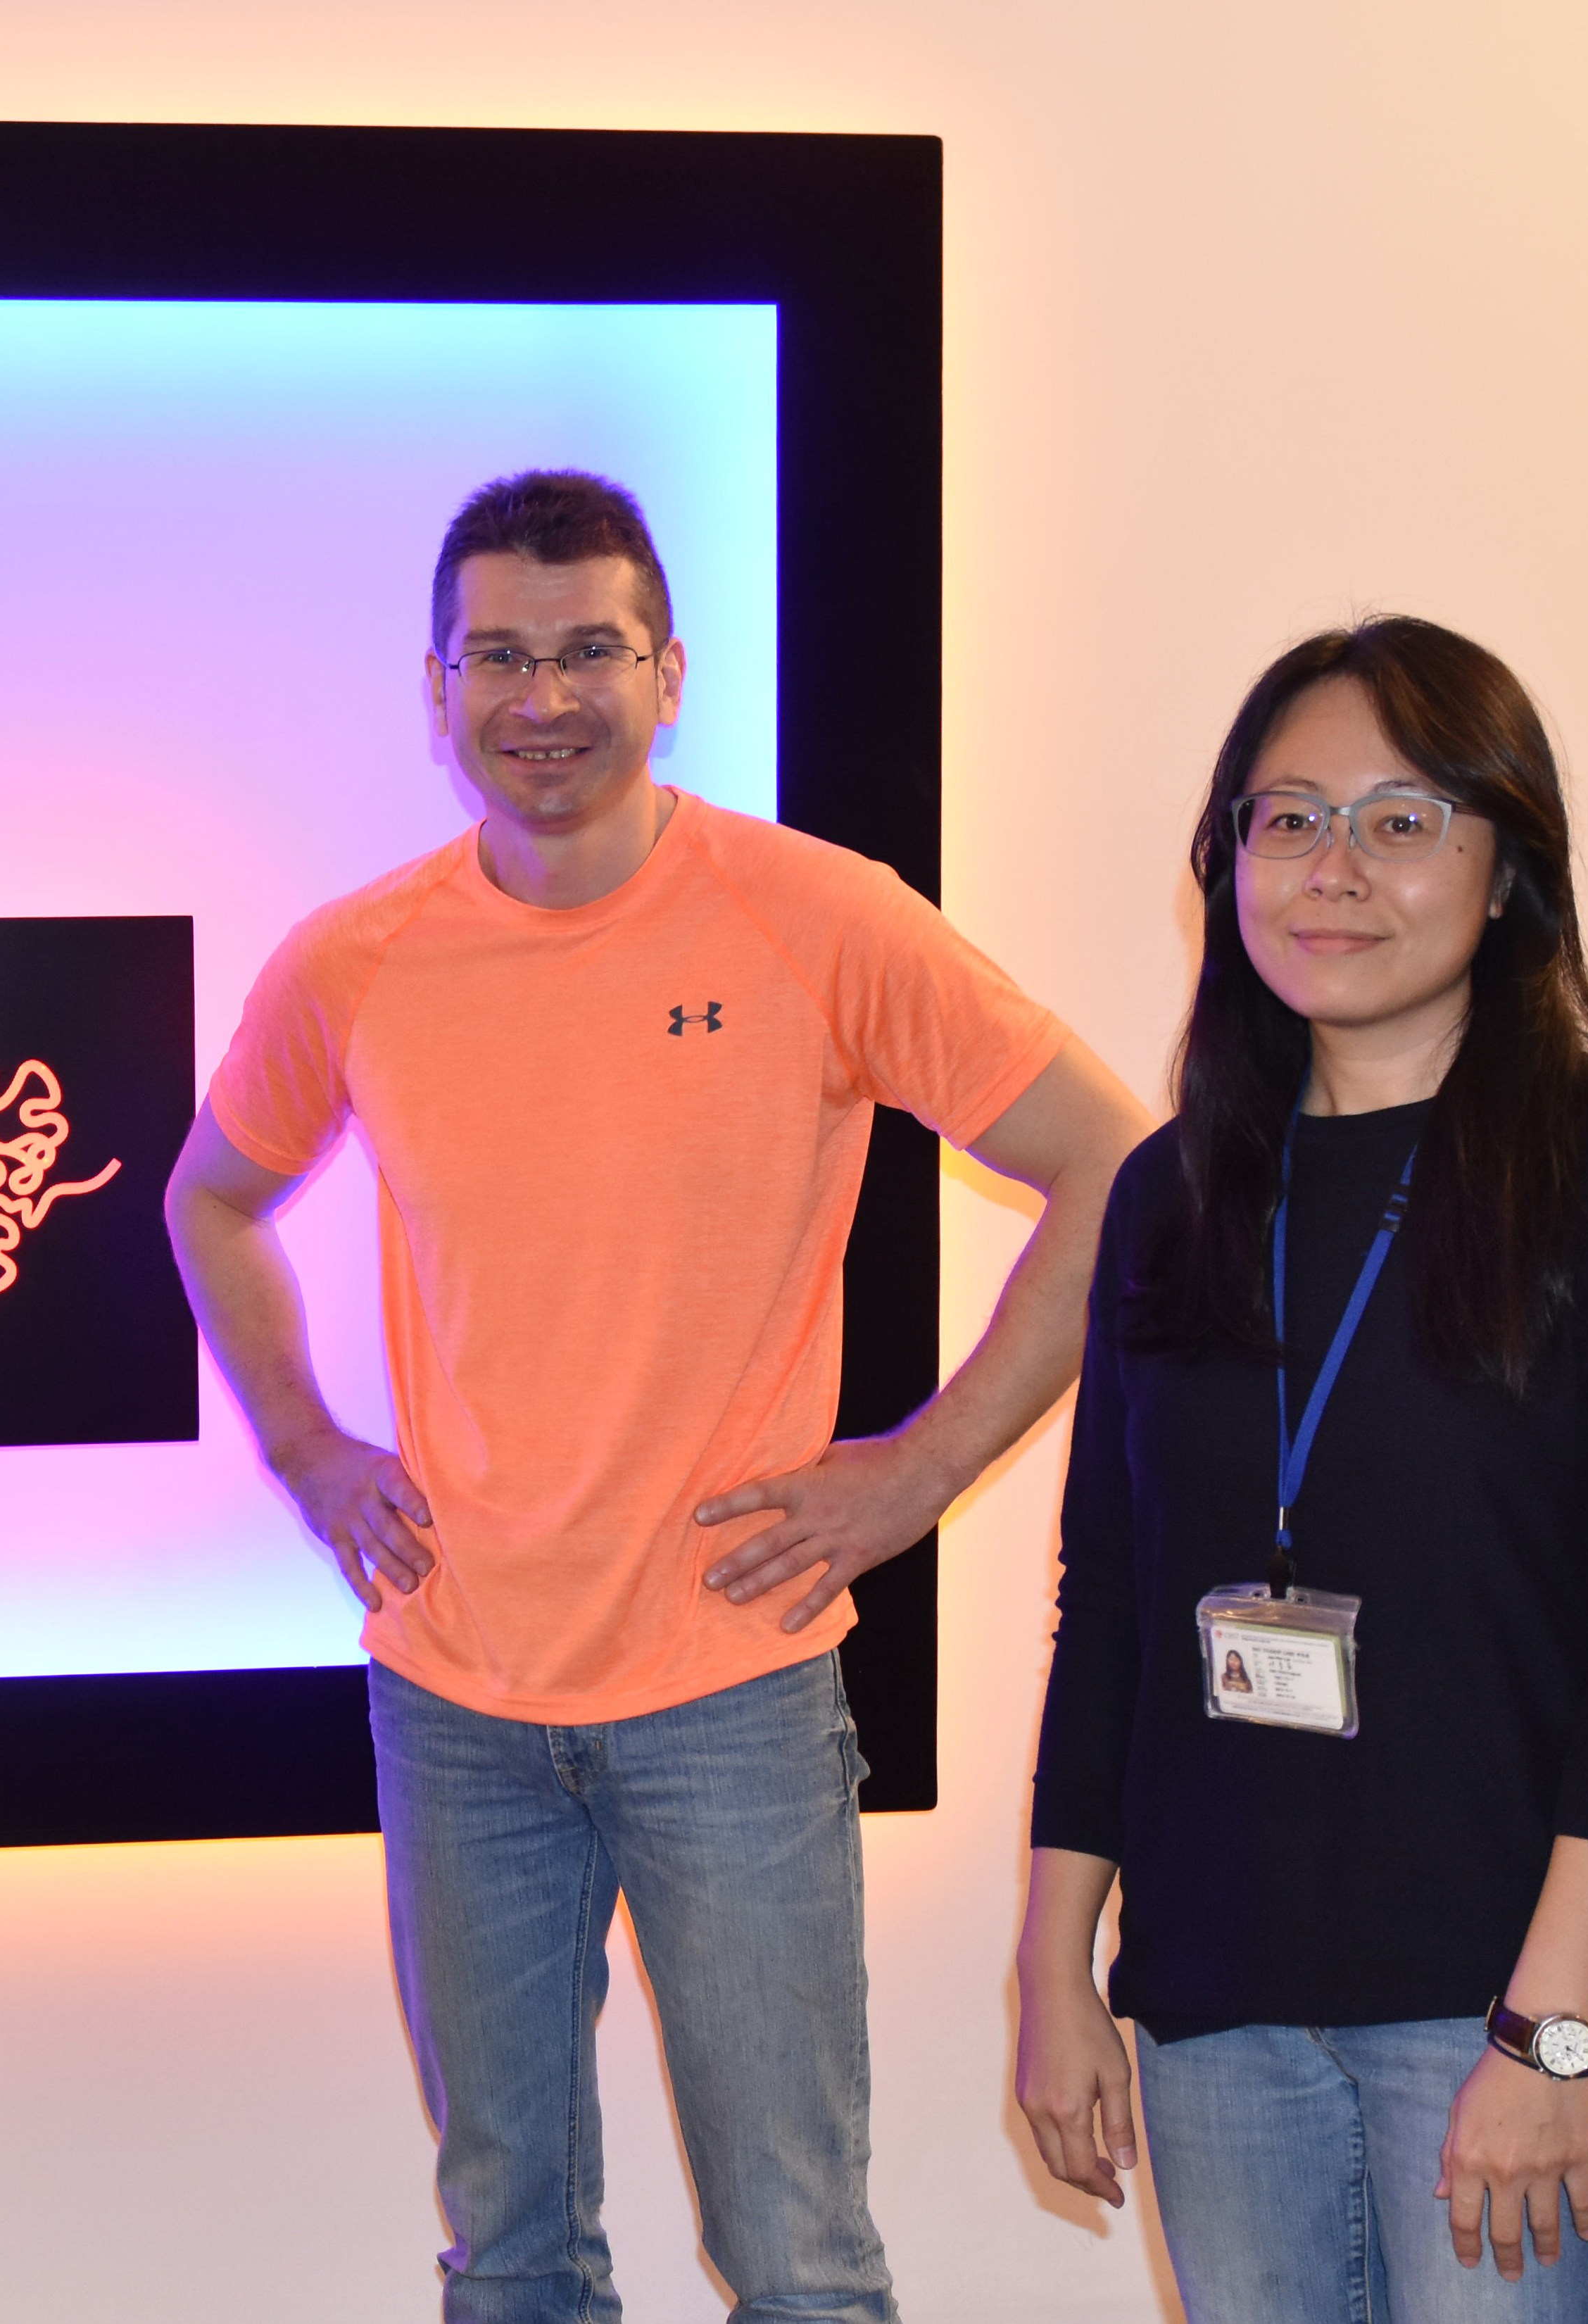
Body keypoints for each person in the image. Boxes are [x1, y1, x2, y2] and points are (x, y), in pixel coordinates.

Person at [168, 468, 1149, 2322]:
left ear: (670, 672)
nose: (545, 697)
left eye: (592, 651)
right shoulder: (357, 957)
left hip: (734, 1690)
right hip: (458, 1693)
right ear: (439, 690)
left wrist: (921, 1469)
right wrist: (305, 1444)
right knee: (512, 2251)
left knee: (797, 2257)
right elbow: (208, 1196)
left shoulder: (815, 915)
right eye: (500, 656)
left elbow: (1119, 1162)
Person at [1014, 617, 1588, 2321]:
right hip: (1214, 2006)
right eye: (1288, 819)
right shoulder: (1170, 1195)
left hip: (1499, 2003)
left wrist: (1550, 2033)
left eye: (1403, 820)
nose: (1333, 868)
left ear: (1508, 872)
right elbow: (1109, 1602)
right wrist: (1055, 1968)